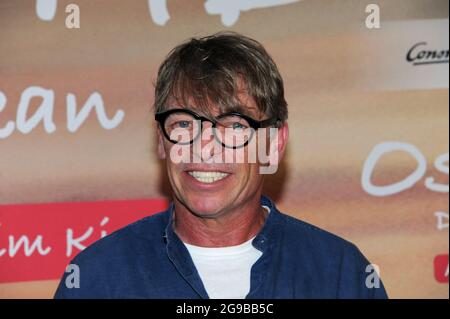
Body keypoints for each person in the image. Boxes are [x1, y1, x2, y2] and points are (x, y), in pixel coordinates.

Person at [54, 32, 388, 299]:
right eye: (183, 124)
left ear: (273, 144)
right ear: (161, 140)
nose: (205, 147)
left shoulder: (342, 275)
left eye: (234, 126)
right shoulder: (96, 279)